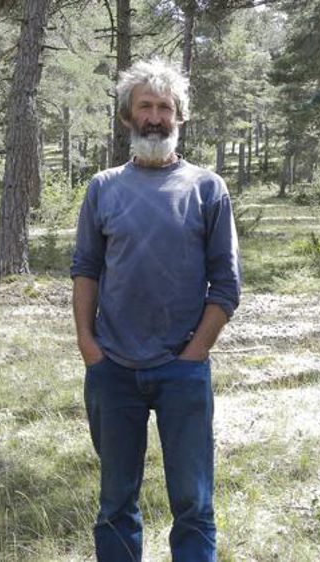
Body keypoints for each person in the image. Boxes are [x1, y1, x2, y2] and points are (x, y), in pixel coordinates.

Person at [70, 57, 241, 562]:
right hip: (112, 370)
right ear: (127, 116)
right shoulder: (103, 187)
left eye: (165, 107)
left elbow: (227, 284)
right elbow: (86, 270)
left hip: (181, 372)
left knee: (192, 502)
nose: (155, 116)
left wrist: (193, 355)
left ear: (179, 118)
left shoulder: (207, 188)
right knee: (116, 502)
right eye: (145, 106)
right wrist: (87, 344)